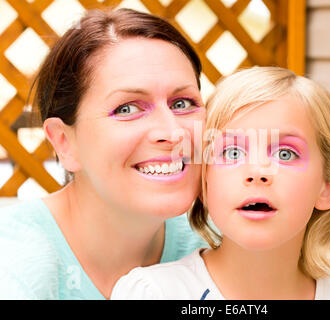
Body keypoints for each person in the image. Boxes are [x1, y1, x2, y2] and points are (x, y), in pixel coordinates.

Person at [0, 8, 209, 299]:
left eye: (183, 103)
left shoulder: (218, 241)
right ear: (64, 142)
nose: (173, 131)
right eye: (127, 108)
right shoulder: (14, 264)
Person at [111, 66, 330, 300]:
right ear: (204, 184)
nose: (257, 173)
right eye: (232, 153)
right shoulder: (150, 293)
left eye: (285, 154)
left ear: (328, 187)